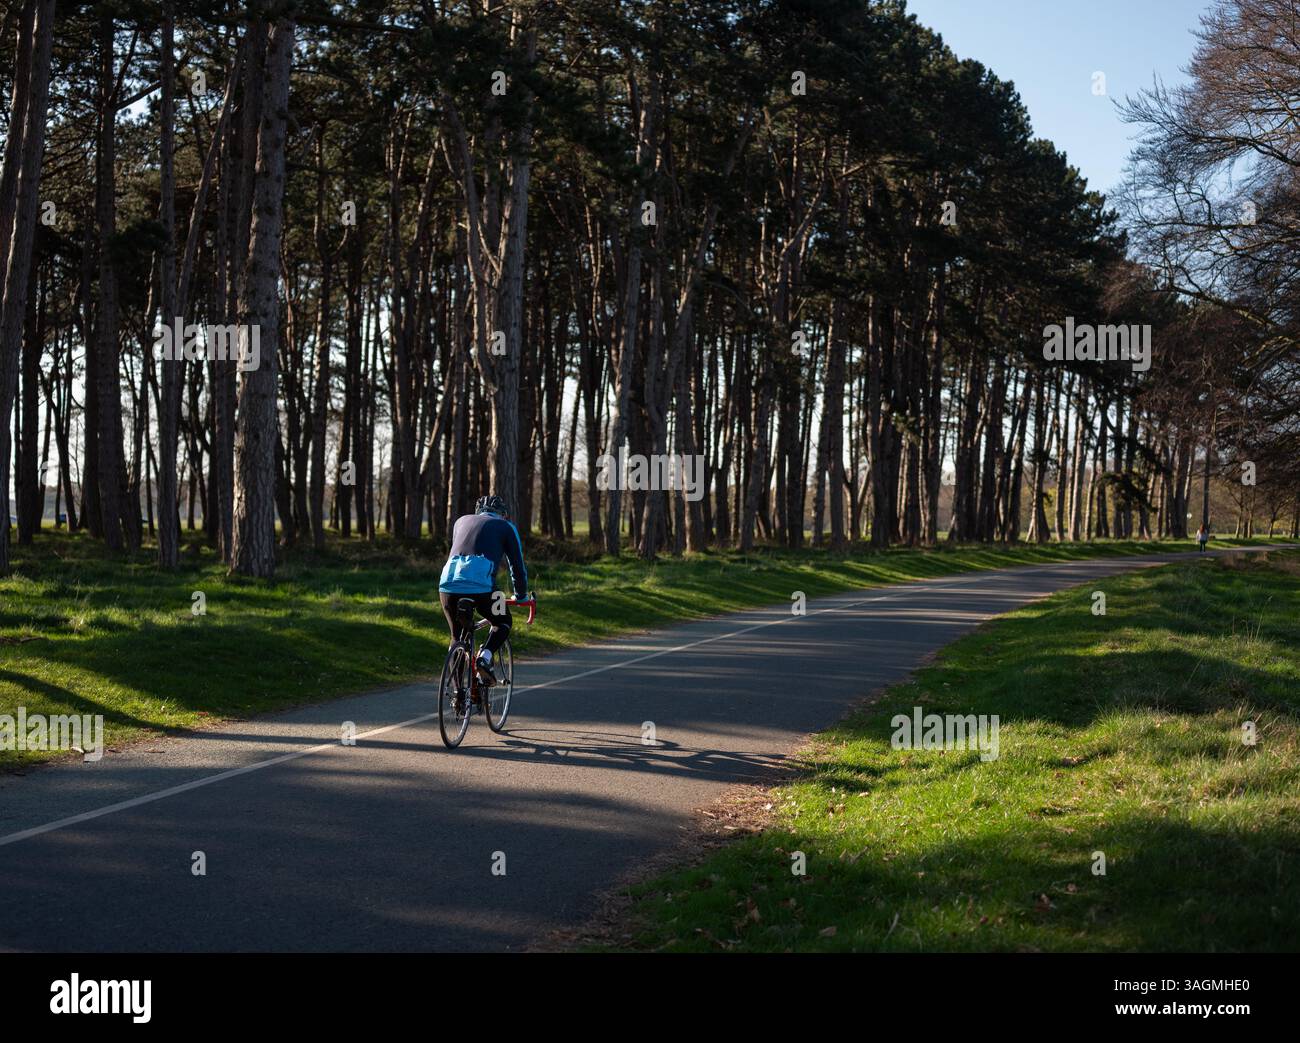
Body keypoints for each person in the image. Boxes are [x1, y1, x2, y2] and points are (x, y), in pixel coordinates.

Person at [439, 494, 529, 683]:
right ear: (503, 514)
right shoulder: (506, 527)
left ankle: (458, 695)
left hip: (447, 585)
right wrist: (520, 595)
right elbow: (517, 567)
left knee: (456, 636)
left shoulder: (460, 521)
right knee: (503, 620)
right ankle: (485, 657)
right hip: (483, 588)